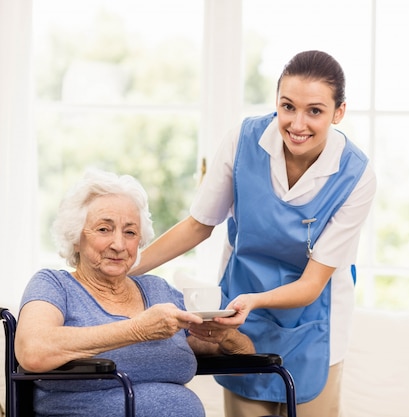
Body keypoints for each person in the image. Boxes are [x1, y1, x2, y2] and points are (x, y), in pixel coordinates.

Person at [131, 50, 377, 417]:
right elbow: (199, 225)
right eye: (287, 106)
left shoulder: (355, 176)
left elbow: (311, 285)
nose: (297, 123)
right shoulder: (243, 142)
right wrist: (125, 268)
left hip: (315, 321)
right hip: (241, 318)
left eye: (315, 111)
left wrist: (254, 301)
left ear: (338, 113)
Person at [15, 169, 254, 417]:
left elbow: (244, 361)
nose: (119, 245)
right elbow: (33, 351)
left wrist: (226, 336)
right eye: (104, 229)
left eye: (129, 233)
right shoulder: (54, 284)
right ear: (76, 237)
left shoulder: (158, 290)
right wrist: (138, 329)